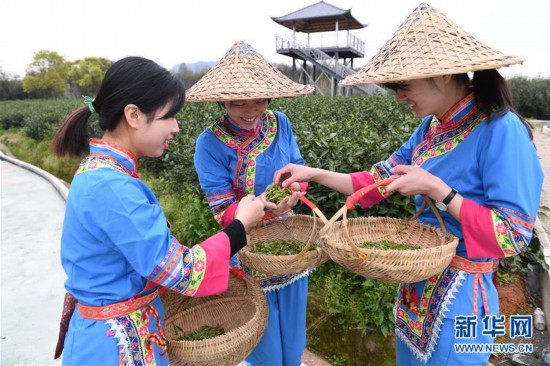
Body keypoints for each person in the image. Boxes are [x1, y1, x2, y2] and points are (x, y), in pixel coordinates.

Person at [274, 3, 544, 365]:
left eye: (403, 85)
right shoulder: (430, 129)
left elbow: (512, 234)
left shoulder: (501, 130)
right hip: (417, 288)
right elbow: (374, 184)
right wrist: (313, 173)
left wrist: (439, 191)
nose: (400, 96)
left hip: (461, 299)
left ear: (443, 74)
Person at [51, 56, 266, 365]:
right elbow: (182, 272)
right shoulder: (112, 187)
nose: (176, 127)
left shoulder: (102, 171)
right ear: (134, 115)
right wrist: (240, 226)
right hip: (115, 347)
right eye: (169, 116)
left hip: (115, 333)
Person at [188, 41, 314, 366]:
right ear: (222, 101)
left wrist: (294, 192)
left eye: (259, 99)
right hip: (249, 252)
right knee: (266, 350)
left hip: (289, 246)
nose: (250, 110)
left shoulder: (280, 122)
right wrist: (260, 207)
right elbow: (222, 210)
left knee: (294, 345)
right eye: (238, 102)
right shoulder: (210, 143)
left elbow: (299, 169)